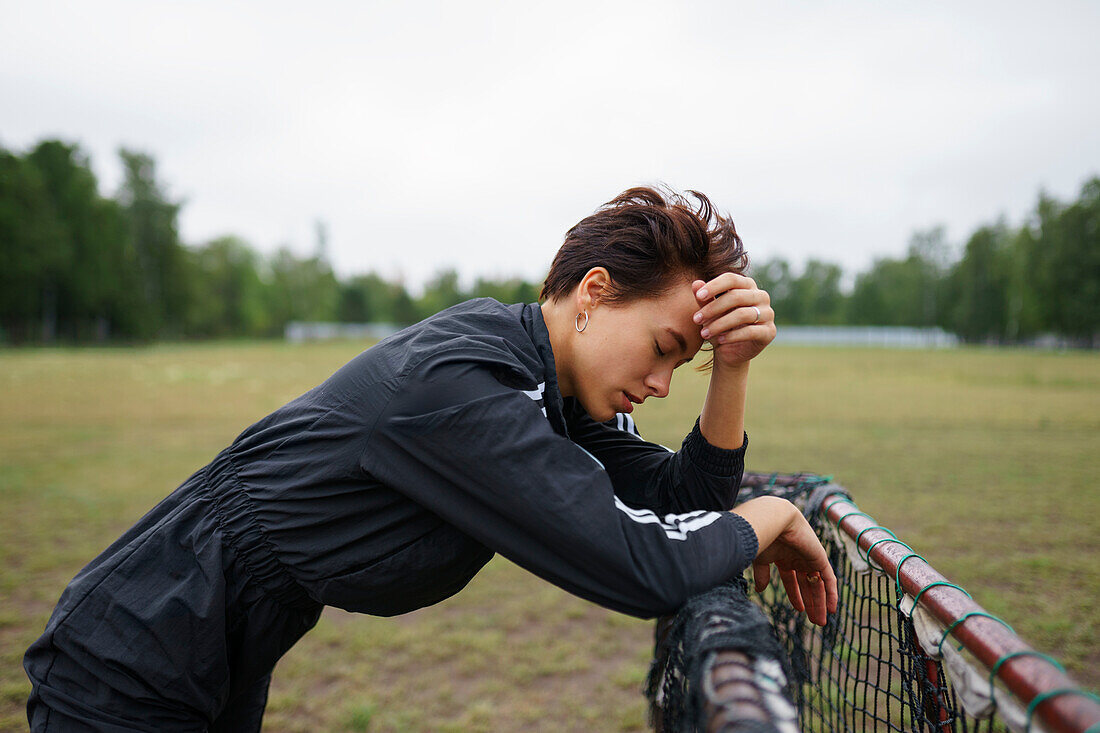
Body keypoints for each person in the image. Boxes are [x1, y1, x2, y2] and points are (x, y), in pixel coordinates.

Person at [24, 186, 838, 731]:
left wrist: (729, 364)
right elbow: (642, 568)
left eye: (681, 363)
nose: (664, 383)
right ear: (593, 293)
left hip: (211, 650)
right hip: (134, 652)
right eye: (665, 347)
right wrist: (771, 516)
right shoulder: (469, 386)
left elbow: (681, 500)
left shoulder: (539, 386)